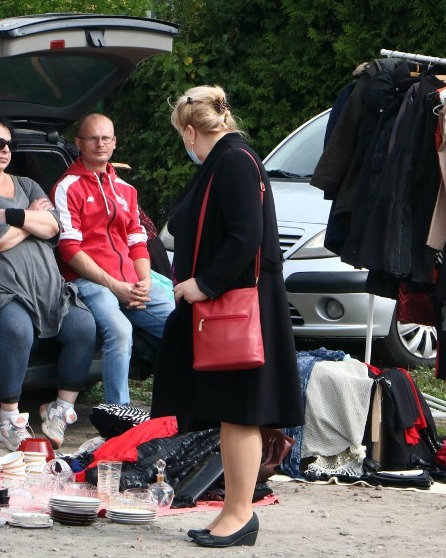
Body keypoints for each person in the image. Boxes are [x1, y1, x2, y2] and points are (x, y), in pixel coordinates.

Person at [151, 86, 304, 548]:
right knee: (233, 413)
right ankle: (234, 512)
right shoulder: (230, 160)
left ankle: (239, 515)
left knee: (240, 414)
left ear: (191, 131)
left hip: (237, 308)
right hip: (234, 308)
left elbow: (246, 236)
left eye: (183, 136)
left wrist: (205, 284)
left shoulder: (234, 162)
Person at [0, 116, 96, 451]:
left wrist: (11, 216)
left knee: (84, 327)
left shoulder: (27, 184)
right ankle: (8, 420)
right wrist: (32, 220)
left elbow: (55, 227)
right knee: (18, 331)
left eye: (9, 145)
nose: (6, 150)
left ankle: (61, 408)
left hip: (48, 289)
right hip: (0, 290)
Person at [50, 113, 174, 405]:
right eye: (92, 138)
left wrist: (142, 282)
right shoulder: (67, 187)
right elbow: (69, 249)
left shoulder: (126, 190)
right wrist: (116, 286)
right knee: (120, 331)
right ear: (79, 143)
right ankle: (118, 415)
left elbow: (137, 240)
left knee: (178, 325)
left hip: (130, 282)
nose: (100, 143)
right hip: (88, 281)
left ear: (115, 143)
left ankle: (176, 405)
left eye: (106, 138)